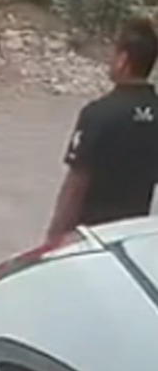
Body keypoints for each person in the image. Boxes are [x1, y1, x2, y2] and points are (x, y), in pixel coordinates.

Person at [46, 17, 158, 243]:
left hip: (91, 234)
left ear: (123, 60)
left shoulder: (99, 113)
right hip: (131, 235)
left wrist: (54, 237)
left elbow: (77, 181)